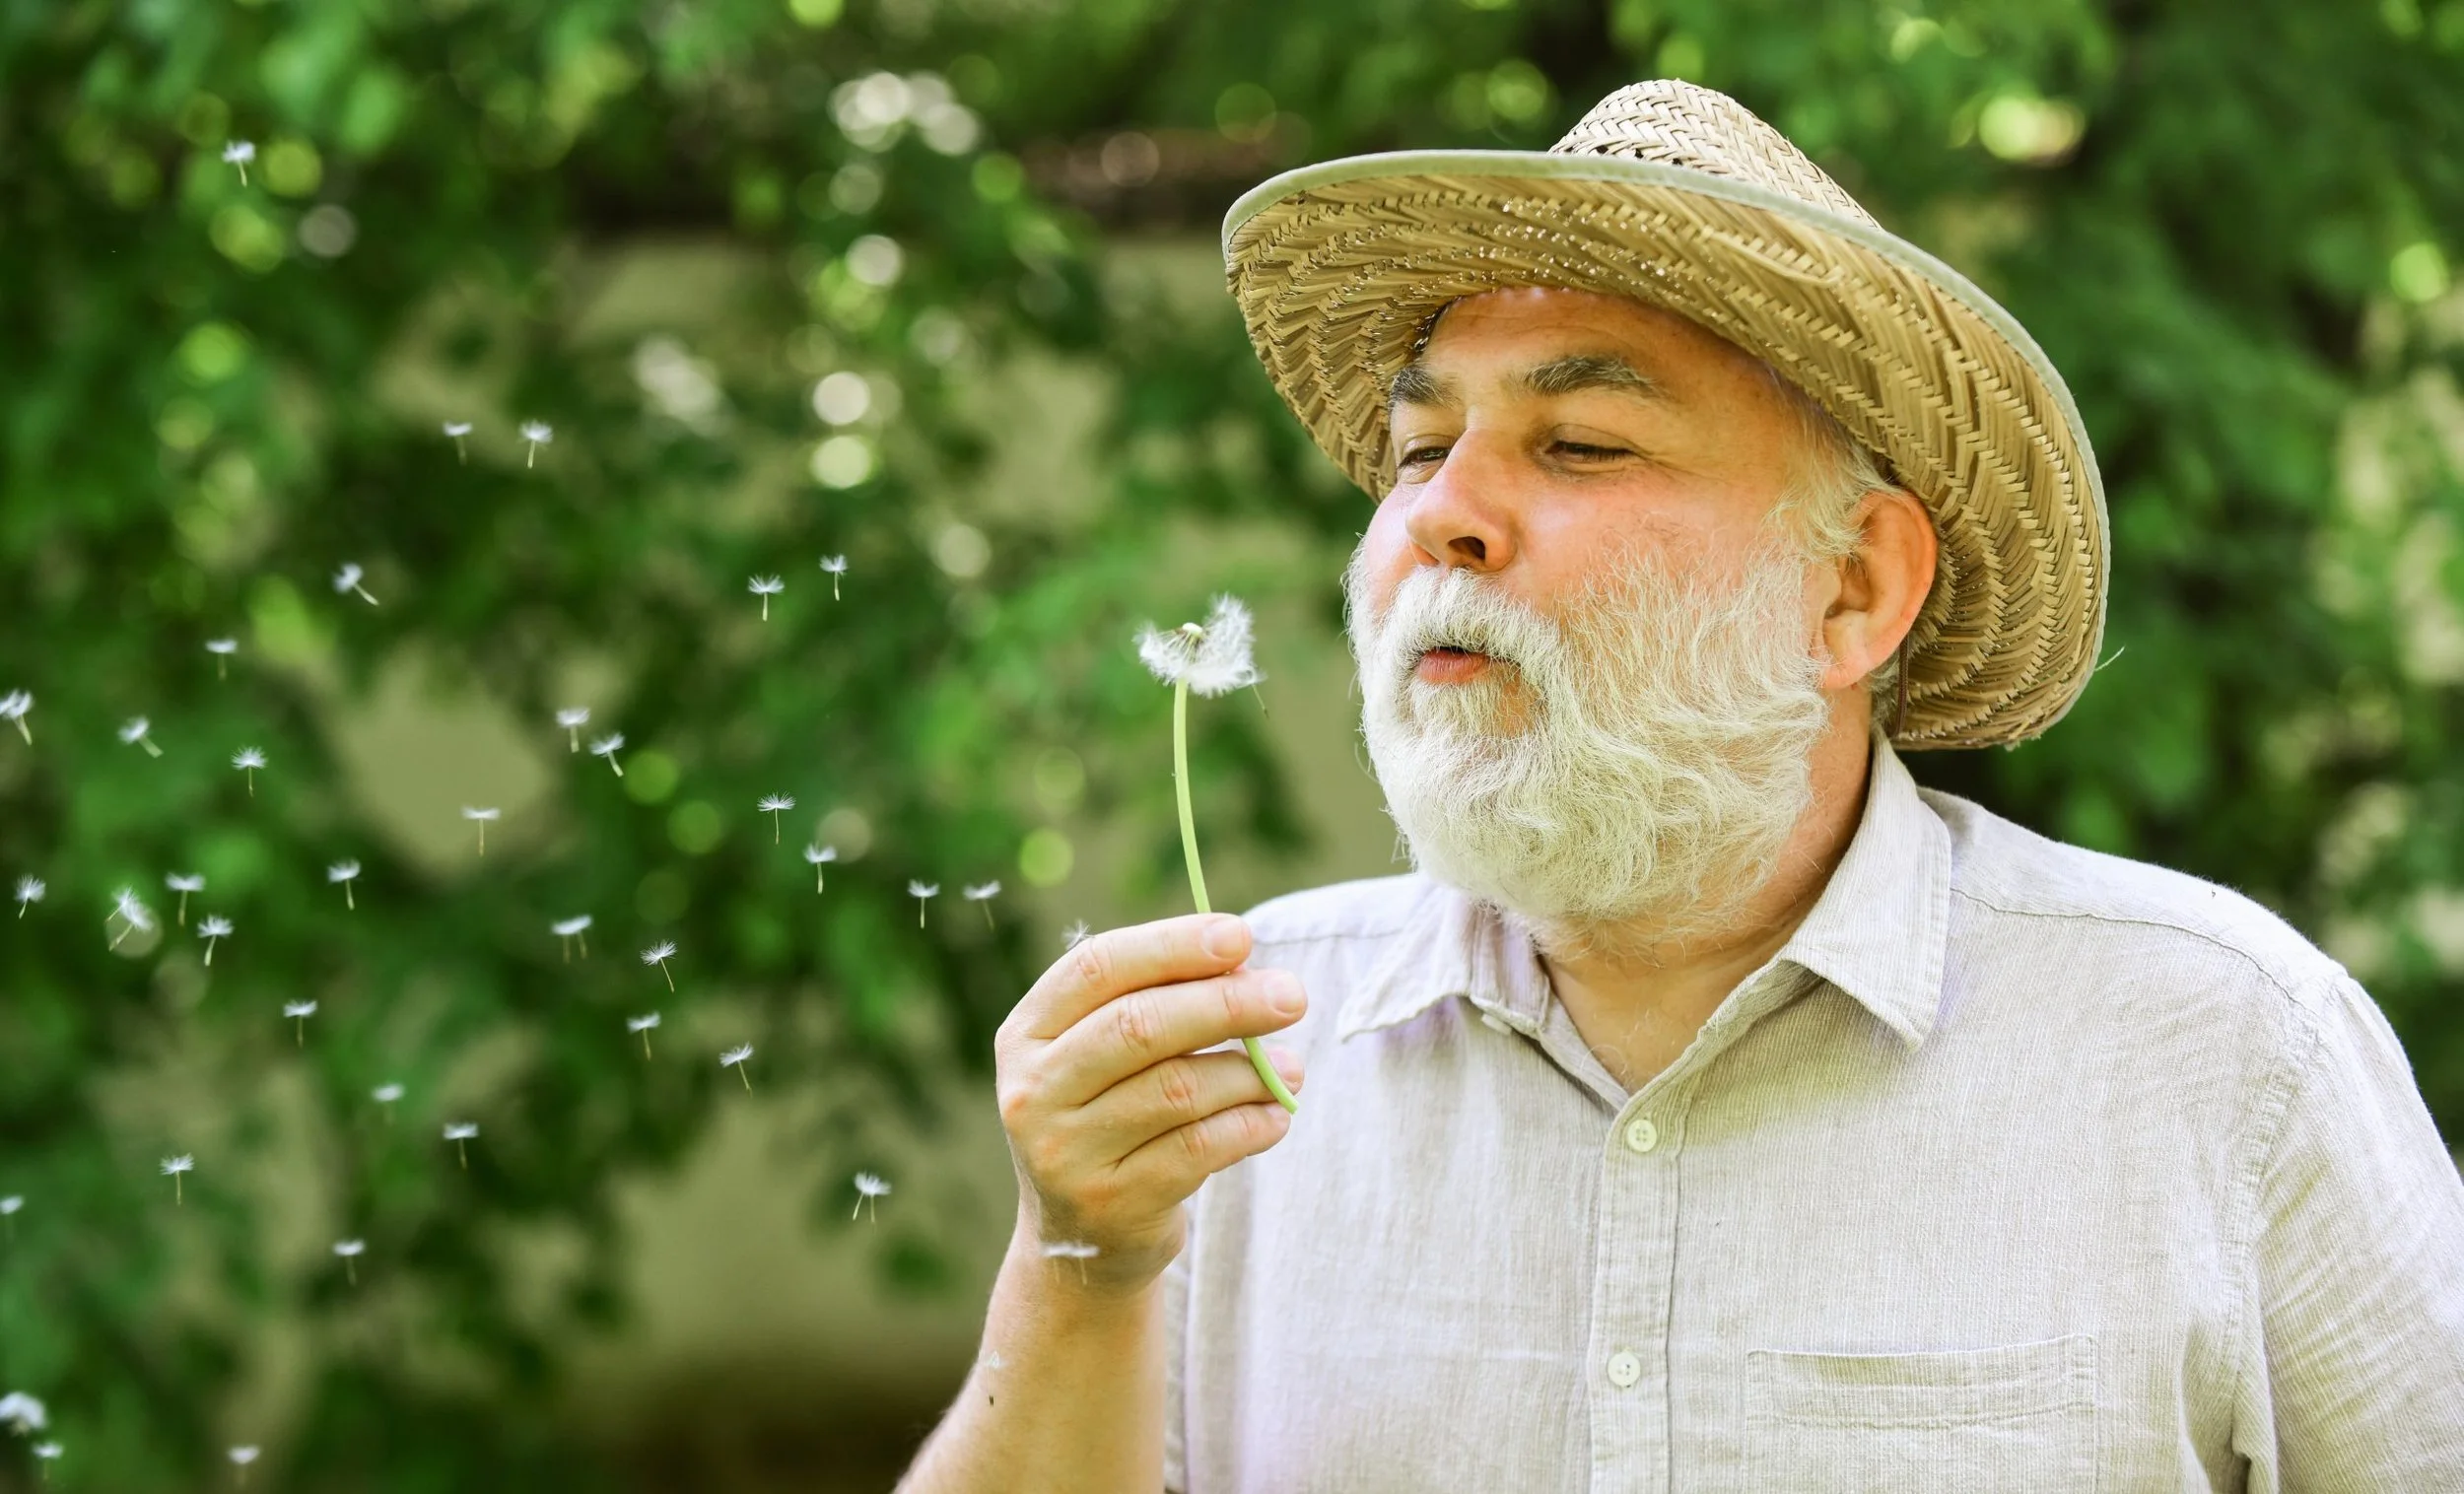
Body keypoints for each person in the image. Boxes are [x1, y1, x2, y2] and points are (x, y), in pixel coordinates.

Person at [897, 80, 2464, 1493]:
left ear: (1852, 590)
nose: (1446, 514)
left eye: (1578, 443)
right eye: (1417, 450)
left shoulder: (2225, 1052)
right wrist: (1076, 1269)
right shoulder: (1236, 1065)